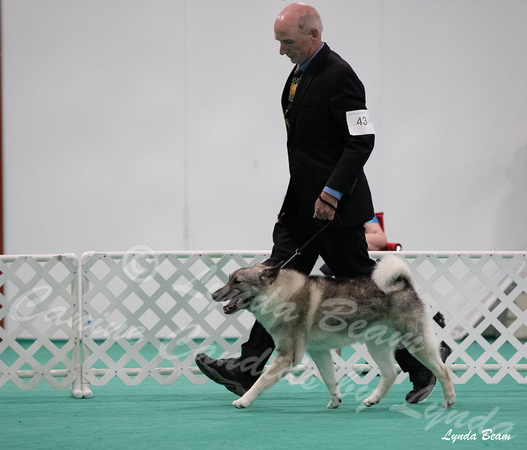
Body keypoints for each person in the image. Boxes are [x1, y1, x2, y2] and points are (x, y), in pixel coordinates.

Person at [195, 2, 445, 404]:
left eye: (287, 42)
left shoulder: (340, 76)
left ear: (313, 34)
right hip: (301, 210)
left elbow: (361, 141)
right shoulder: (298, 74)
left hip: (335, 210)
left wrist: (331, 194)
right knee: (271, 283)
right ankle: (247, 369)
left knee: (366, 285)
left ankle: (425, 360)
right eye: (278, 43)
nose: (281, 51)